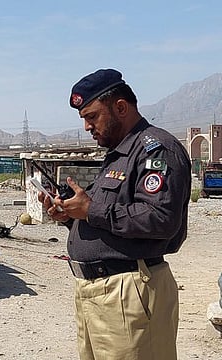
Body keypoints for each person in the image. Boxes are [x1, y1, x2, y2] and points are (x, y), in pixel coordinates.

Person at [39, 69, 191, 360]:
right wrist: (71, 216)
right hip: (97, 295)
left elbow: (160, 218)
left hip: (130, 292)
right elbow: (109, 217)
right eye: (84, 118)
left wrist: (91, 209)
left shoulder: (155, 150)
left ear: (120, 107)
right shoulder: (118, 154)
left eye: (92, 116)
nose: (86, 126)